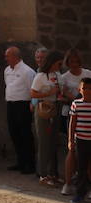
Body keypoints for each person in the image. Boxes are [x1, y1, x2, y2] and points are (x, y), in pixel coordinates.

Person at [31, 49, 64, 186]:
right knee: (44, 143)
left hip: (55, 108)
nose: (60, 65)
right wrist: (49, 92)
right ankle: (42, 174)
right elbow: (33, 93)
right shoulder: (41, 76)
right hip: (44, 109)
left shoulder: (57, 74)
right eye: (58, 63)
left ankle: (52, 173)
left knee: (53, 143)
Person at [3, 46, 36, 174]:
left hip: (23, 105)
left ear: (16, 56)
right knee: (14, 133)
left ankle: (30, 164)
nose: (6, 59)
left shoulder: (27, 71)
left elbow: (32, 90)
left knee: (25, 134)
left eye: (8, 56)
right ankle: (21, 161)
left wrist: (32, 104)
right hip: (10, 104)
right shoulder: (7, 70)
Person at [59, 50, 85, 196]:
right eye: (71, 62)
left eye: (76, 61)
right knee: (72, 148)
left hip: (87, 113)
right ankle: (69, 181)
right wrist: (74, 97)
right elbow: (63, 94)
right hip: (72, 112)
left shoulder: (87, 74)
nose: (74, 64)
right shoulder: (64, 77)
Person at [67, 73, 91, 203]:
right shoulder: (76, 104)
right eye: (84, 88)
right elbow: (73, 123)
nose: (87, 91)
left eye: (89, 88)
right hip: (81, 140)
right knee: (81, 168)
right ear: (79, 90)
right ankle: (80, 194)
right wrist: (71, 140)